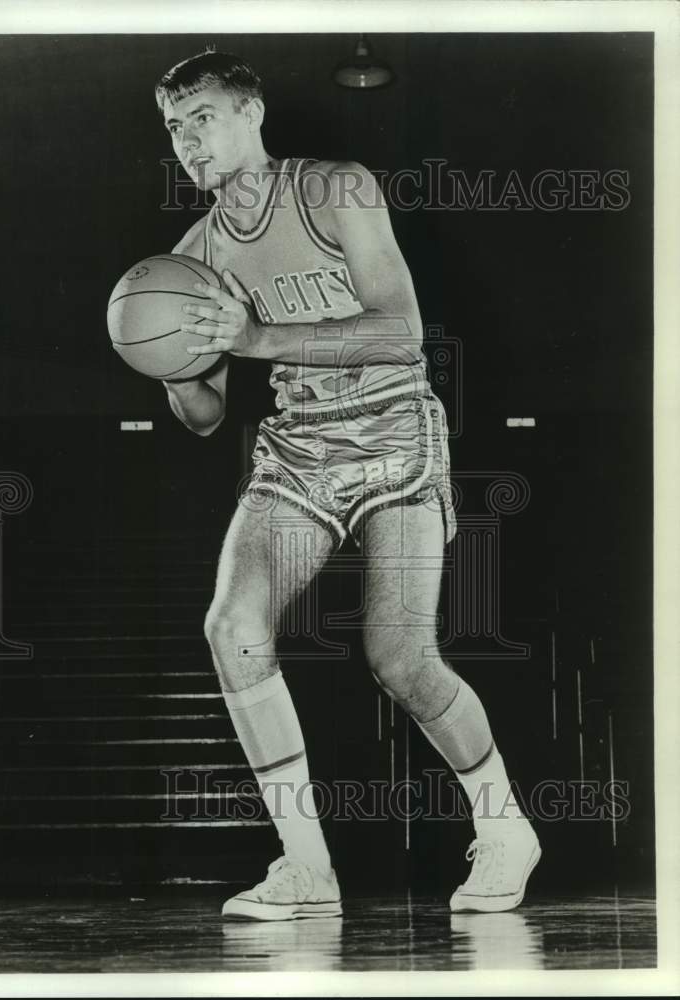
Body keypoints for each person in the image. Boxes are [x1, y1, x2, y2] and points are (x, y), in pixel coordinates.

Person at [155, 50, 540, 920]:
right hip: (298, 450)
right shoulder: (193, 255)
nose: (187, 141)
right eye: (174, 129)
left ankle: (506, 824)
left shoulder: (338, 190)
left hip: (394, 427)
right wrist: (170, 363)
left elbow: (400, 331)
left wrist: (251, 341)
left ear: (251, 113)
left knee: (399, 659)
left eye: (202, 117)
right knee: (232, 627)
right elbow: (207, 416)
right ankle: (306, 871)